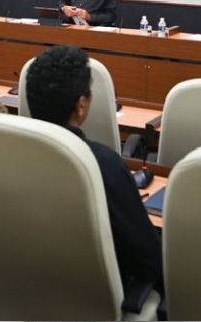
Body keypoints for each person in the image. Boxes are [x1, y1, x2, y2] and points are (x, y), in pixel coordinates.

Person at [26, 44, 162, 295]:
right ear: (81, 105)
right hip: (93, 301)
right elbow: (150, 261)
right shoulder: (103, 164)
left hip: (19, 291)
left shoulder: (8, 150)